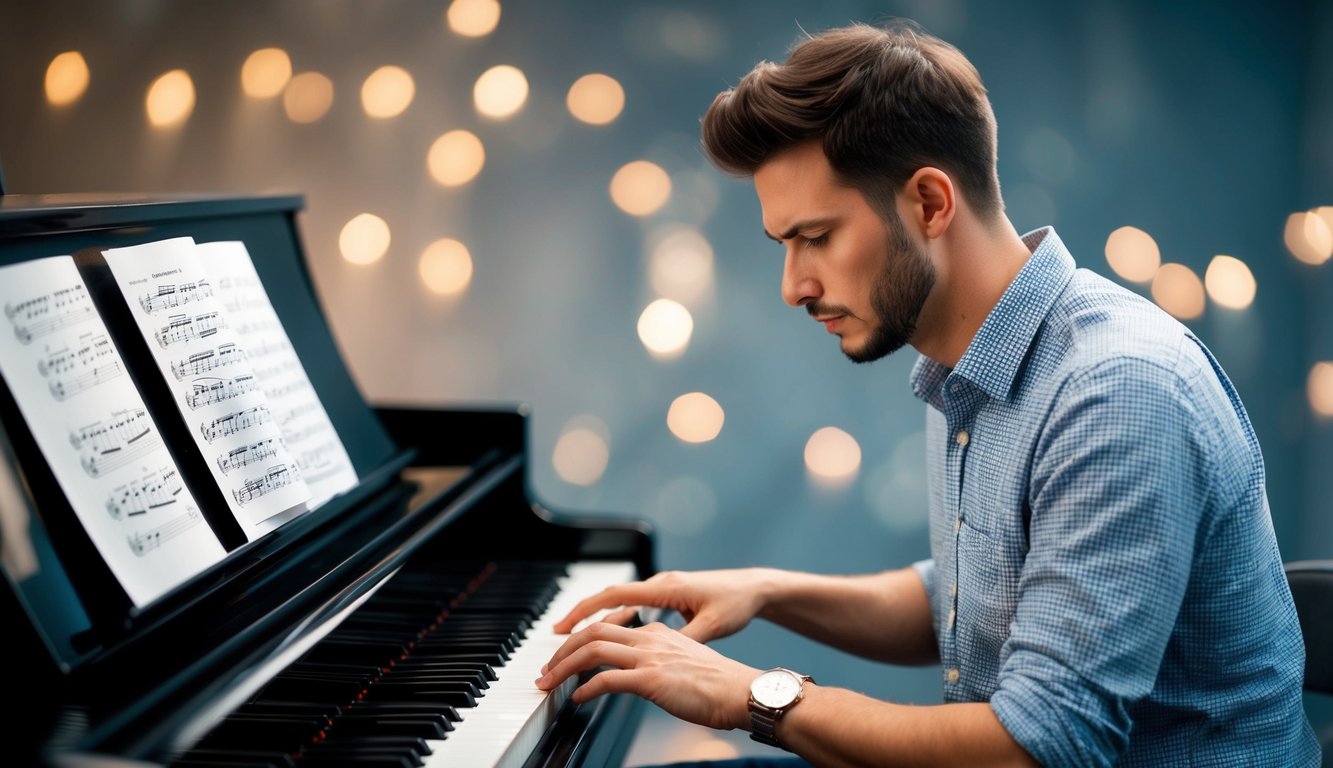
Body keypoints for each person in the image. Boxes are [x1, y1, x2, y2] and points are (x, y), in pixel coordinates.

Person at [535, 21, 1320, 767]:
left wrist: (749, 694)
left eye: (815, 237)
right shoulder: (970, 361)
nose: (792, 286)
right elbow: (967, 596)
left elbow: (1036, 747)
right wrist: (767, 592)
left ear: (930, 203)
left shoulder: (1117, 394)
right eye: (783, 245)